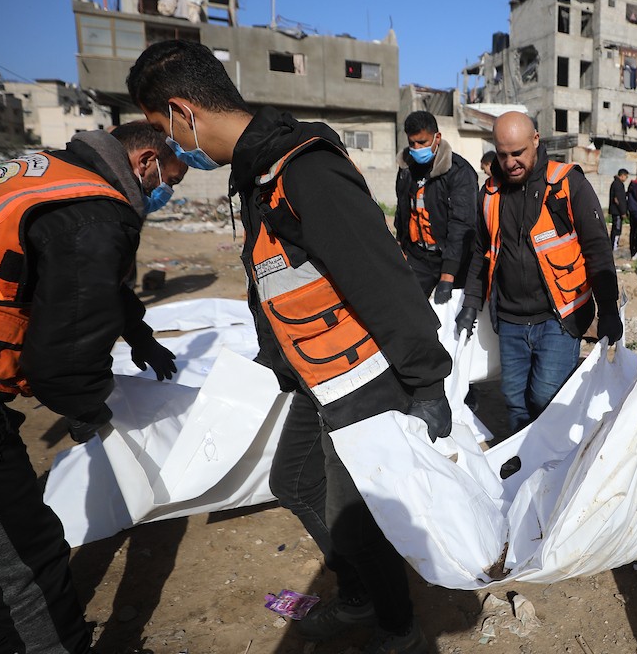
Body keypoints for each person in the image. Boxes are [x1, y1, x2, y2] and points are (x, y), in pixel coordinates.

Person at [128, 40, 449, 653]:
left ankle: (398, 626)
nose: (165, 143)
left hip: (359, 377)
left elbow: (382, 278)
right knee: (294, 483)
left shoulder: (305, 168)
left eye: (157, 125)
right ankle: (359, 598)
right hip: (312, 374)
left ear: (182, 111)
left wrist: (427, 383)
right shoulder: (257, 173)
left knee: (355, 522)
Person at [0, 123, 180, 654]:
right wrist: (88, 408)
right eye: (169, 180)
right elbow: (64, 356)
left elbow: (86, 276)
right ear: (146, 161)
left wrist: (139, 336)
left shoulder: (47, 174)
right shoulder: (97, 211)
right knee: (24, 562)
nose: (164, 194)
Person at [457, 112, 622, 432]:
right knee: (515, 398)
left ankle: (551, 462)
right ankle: (525, 464)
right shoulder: (489, 194)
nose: (510, 162)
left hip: (560, 317)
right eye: (502, 155)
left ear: (536, 140)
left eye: (517, 153)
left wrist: (609, 309)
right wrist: (470, 303)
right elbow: (481, 251)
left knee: (546, 396)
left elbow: (598, 252)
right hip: (510, 319)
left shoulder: (567, 183)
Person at [393, 111, 478, 301]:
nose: (416, 148)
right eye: (412, 143)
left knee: (450, 318)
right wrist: (400, 248)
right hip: (418, 257)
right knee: (407, 305)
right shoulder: (406, 169)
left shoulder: (459, 172)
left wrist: (448, 275)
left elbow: (462, 224)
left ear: (437, 138)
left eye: (422, 143)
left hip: (453, 259)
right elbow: (403, 211)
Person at [608, 168, 629, 251]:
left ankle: (614, 245)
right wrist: (623, 212)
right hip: (617, 211)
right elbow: (617, 199)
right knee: (616, 229)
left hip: (617, 211)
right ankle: (614, 247)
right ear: (622, 175)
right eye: (626, 177)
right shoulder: (617, 184)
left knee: (617, 228)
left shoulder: (617, 183)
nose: (626, 179)